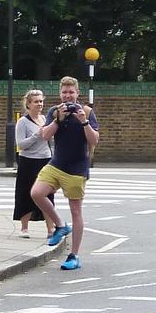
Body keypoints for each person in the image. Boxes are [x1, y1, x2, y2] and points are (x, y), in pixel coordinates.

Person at [30, 76, 99, 271]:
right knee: (36, 193)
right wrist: (58, 121)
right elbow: (44, 136)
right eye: (64, 92)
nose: (68, 96)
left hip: (77, 168)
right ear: (60, 94)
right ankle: (61, 225)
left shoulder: (86, 112)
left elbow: (94, 140)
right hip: (56, 164)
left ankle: (74, 255)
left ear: (77, 93)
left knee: (76, 210)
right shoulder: (54, 111)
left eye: (71, 92)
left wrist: (84, 122)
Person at [12, 89, 52, 236]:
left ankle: (51, 228)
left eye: (41, 101)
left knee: (48, 194)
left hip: (45, 159)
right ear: (28, 104)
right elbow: (20, 145)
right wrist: (37, 135)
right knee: (26, 193)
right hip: (28, 161)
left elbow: (50, 139)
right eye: (36, 101)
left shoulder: (45, 119)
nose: (39, 104)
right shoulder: (23, 122)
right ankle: (24, 227)